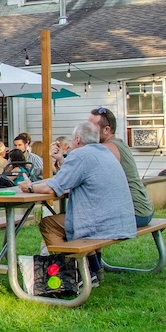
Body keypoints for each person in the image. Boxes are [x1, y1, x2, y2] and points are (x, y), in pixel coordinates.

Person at [20, 121, 136, 283]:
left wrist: (30, 187)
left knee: (49, 224)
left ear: (78, 139)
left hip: (100, 223)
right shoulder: (105, 152)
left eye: (72, 138)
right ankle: (94, 268)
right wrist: (61, 159)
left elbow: (53, 188)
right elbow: (74, 176)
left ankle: (74, 273)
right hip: (120, 220)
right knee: (70, 221)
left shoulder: (80, 155)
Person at [91, 106, 154, 227]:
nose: (87, 130)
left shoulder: (106, 148)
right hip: (145, 209)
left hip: (135, 213)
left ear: (106, 130)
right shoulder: (119, 143)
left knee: (78, 222)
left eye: (91, 127)